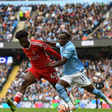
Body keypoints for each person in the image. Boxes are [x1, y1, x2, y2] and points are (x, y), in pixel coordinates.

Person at [7, 30, 75, 112]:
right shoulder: (23, 48)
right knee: (25, 82)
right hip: (35, 69)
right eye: (21, 43)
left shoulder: (37, 44)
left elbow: (50, 51)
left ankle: (69, 96)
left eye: (24, 41)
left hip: (47, 68)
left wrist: (63, 60)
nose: (23, 44)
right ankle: (15, 103)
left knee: (57, 87)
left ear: (27, 38)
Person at [44, 31, 112, 109]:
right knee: (58, 86)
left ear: (68, 39)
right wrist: (42, 42)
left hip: (77, 74)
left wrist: (51, 65)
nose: (60, 40)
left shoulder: (70, 47)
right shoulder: (62, 44)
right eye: (59, 39)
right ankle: (70, 105)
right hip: (67, 75)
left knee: (93, 91)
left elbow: (63, 61)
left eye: (62, 39)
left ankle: (107, 100)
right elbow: (53, 44)